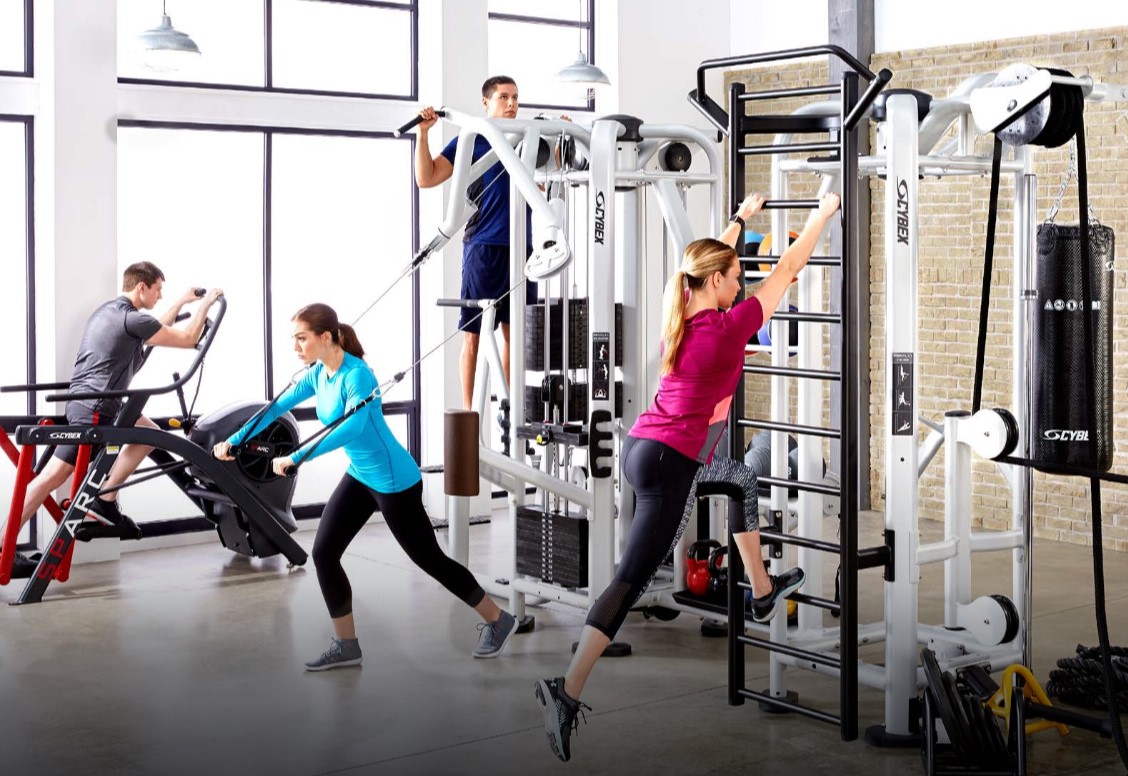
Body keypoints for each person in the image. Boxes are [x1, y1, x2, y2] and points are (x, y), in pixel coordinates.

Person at [533, 191, 842, 762]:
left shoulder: (681, 316)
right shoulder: (730, 328)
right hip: (671, 463)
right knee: (629, 581)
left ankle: (764, 593)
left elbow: (704, 263)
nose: (743, 280)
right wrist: (824, 213)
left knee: (740, 480)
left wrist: (740, 221)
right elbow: (790, 268)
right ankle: (567, 690)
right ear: (720, 283)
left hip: (648, 448)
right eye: (737, 274)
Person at [213, 303, 518, 670]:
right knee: (325, 553)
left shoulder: (358, 377)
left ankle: (499, 620)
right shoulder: (317, 374)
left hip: (393, 481)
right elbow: (275, 408)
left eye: (301, 338)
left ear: (325, 337)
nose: (295, 346)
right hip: (360, 475)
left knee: (430, 560)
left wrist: (299, 456)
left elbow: (352, 428)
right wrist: (234, 438)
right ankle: (347, 644)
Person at [1, 262, 222, 578]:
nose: (160, 296)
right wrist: (207, 302)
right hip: (96, 409)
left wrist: (183, 301)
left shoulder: (112, 313)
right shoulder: (132, 319)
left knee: (148, 430)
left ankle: (106, 498)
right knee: (51, 478)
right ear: (141, 288)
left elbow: (154, 326)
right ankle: (4, 545)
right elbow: (187, 338)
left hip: (88, 403)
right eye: (158, 290)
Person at [414, 75, 536, 411]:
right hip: (483, 248)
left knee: (517, 336)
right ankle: (469, 414)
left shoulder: (530, 139)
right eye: (503, 97)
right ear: (486, 102)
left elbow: (555, 168)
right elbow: (426, 178)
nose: (511, 104)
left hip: (524, 250)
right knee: (473, 335)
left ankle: (512, 412)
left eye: (515, 98)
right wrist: (422, 135)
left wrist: (564, 134)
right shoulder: (471, 140)